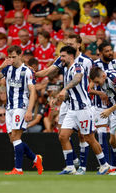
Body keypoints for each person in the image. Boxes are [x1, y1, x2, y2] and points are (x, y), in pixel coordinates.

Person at [36, 34, 93, 174]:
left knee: (82, 134)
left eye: (71, 43)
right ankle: (73, 161)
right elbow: (50, 70)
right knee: (61, 132)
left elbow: (92, 79)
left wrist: (86, 93)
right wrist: (35, 74)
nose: (69, 45)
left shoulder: (86, 61)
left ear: (79, 45)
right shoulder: (63, 59)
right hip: (67, 100)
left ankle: (83, 166)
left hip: (80, 101)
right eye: (66, 43)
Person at [55, 46, 109, 175]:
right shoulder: (67, 70)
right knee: (63, 136)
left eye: (63, 56)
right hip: (72, 109)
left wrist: (65, 89)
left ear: (71, 56)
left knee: (89, 138)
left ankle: (104, 165)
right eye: (61, 56)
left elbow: (78, 78)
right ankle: (70, 167)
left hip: (83, 109)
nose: (61, 59)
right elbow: (72, 91)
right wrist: (58, 97)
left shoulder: (77, 66)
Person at [0, 45, 43, 175]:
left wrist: (29, 110)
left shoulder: (27, 71)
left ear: (20, 55)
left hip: (21, 106)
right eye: (10, 57)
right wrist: (1, 66)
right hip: (9, 108)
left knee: (16, 136)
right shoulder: (7, 69)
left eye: (14, 57)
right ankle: (36, 159)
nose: (12, 59)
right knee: (12, 139)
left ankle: (18, 169)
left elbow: (33, 92)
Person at [89, 41, 116, 173]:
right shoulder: (95, 66)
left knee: (114, 138)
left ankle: (114, 166)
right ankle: (106, 165)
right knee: (102, 136)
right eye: (107, 51)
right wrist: (100, 93)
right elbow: (89, 88)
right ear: (101, 52)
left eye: (111, 50)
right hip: (100, 107)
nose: (110, 53)